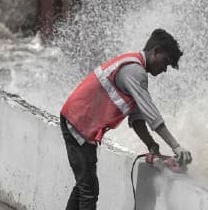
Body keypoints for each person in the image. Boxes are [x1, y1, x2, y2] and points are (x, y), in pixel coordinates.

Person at [59, 29, 191, 210]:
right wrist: (176, 146)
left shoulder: (132, 66)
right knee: (88, 189)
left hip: (77, 121)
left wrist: (152, 145)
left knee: (84, 186)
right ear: (156, 51)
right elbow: (152, 115)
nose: (164, 69)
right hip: (78, 123)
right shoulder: (135, 71)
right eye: (165, 62)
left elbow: (137, 118)